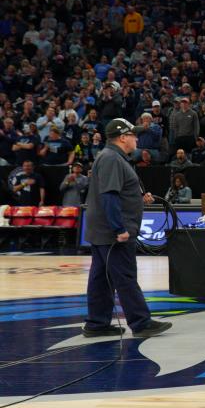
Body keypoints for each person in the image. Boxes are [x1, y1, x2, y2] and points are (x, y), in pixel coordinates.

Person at [81, 118, 171, 338]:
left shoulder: (113, 157)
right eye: (133, 134)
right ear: (122, 137)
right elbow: (109, 196)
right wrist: (119, 228)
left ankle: (97, 323)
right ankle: (141, 323)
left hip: (101, 231)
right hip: (113, 233)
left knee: (101, 279)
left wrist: (140, 197)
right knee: (125, 276)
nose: (137, 138)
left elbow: (118, 191)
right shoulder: (112, 158)